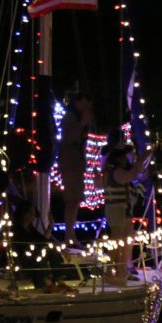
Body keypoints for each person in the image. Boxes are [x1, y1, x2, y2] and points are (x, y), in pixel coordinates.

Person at [104, 144, 149, 282]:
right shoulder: (116, 172)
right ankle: (113, 270)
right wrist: (139, 161)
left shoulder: (120, 171)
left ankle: (122, 269)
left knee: (127, 240)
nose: (126, 160)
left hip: (125, 209)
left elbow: (136, 175)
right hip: (116, 208)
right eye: (123, 157)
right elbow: (129, 176)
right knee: (117, 240)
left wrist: (141, 163)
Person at [58, 92, 93, 246]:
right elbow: (69, 138)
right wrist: (82, 124)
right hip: (70, 160)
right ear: (78, 102)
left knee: (76, 198)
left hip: (77, 161)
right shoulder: (70, 118)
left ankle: (71, 234)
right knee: (72, 198)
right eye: (84, 103)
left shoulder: (77, 118)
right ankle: (68, 235)